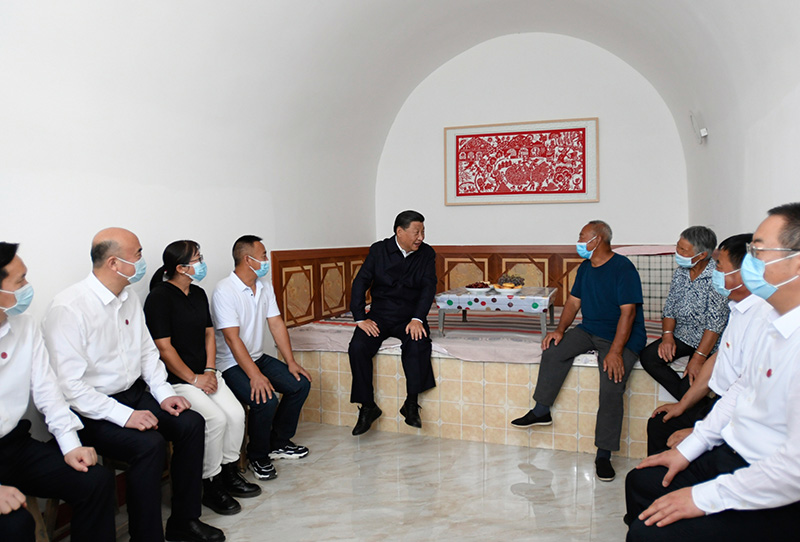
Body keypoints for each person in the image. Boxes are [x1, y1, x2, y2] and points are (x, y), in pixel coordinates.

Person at [625, 203, 800, 541]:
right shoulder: (773, 322)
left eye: (759, 252)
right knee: (642, 481)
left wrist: (702, 497)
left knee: (646, 534)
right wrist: (691, 447)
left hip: (771, 482)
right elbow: (740, 389)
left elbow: (792, 469)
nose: (750, 263)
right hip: (732, 451)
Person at [42, 228, 224, 542]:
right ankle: (146, 536)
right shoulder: (69, 308)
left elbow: (147, 353)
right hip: (90, 408)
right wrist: (125, 416)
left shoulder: (127, 299)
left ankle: (184, 521)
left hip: (134, 394)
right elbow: (70, 386)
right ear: (114, 263)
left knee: (191, 423)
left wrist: (164, 394)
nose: (142, 261)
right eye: (137, 254)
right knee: (149, 445)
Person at [511, 220, 647, 482]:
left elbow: (628, 314)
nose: (579, 241)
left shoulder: (623, 268)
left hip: (622, 335)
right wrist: (560, 330)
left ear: (598, 239)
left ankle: (604, 454)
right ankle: (541, 410)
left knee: (611, 382)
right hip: (590, 329)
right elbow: (573, 303)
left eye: (582, 237)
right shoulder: (585, 268)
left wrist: (616, 352)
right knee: (553, 349)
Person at [0, 243, 115, 542]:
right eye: (20, 281)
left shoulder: (24, 326)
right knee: (15, 525)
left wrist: (70, 445)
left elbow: (47, 391)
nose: (27, 287)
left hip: (14, 445)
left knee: (95, 480)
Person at [144, 241, 261, 516]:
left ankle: (229, 471)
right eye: (197, 259)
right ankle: (210, 483)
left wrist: (209, 370)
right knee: (215, 420)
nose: (202, 263)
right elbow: (164, 348)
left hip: (207, 374)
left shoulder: (197, 293)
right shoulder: (159, 298)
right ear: (181, 268)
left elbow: (209, 333)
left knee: (236, 415)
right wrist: (194, 379)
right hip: (178, 380)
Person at [647, 234, 771, 454]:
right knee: (660, 421)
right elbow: (719, 358)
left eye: (720, 267)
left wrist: (702, 431)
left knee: (676, 429)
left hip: (737, 414)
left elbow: (746, 391)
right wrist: (682, 405)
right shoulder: (738, 309)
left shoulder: (764, 319)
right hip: (720, 400)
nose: (716, 272)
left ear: (744, 274)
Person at [211, 235, 311, 482]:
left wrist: (290, 362)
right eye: (263, 255)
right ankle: (258, 455)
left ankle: (279, 442)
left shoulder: (264, 285)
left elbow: (276, 323)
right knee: (264, 400)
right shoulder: (224, 290)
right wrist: (255, 375)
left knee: (299, 384)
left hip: (256, 357)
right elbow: (232, 339)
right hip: (230, 363)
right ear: (248, 259)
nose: (266, 259)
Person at [348, 210, 437, 435]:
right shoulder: (379, 250)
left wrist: (418, 318)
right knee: (358, 346)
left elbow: (428, 288)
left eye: (423, 232)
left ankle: (411, 403)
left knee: (418, 342)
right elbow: (361, 282)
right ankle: (367, 406)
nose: (421, 237)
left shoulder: (427, 253)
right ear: (399, 231)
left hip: (409, 316)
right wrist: (360, 317)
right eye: (416, 232)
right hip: (380, 314)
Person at [639, 227, 730, 402]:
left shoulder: (717, 278)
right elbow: (670, 308)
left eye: (683, 250)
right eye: (678, 246)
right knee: (649, 357)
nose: (678, 252)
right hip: (683, 334)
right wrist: (667, 336)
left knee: (690, 380)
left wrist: (698, 358)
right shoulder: (681, 272)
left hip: (709, 342)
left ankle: (691, 407)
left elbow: (715, 325)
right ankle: (697, 407)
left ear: (702, 255)